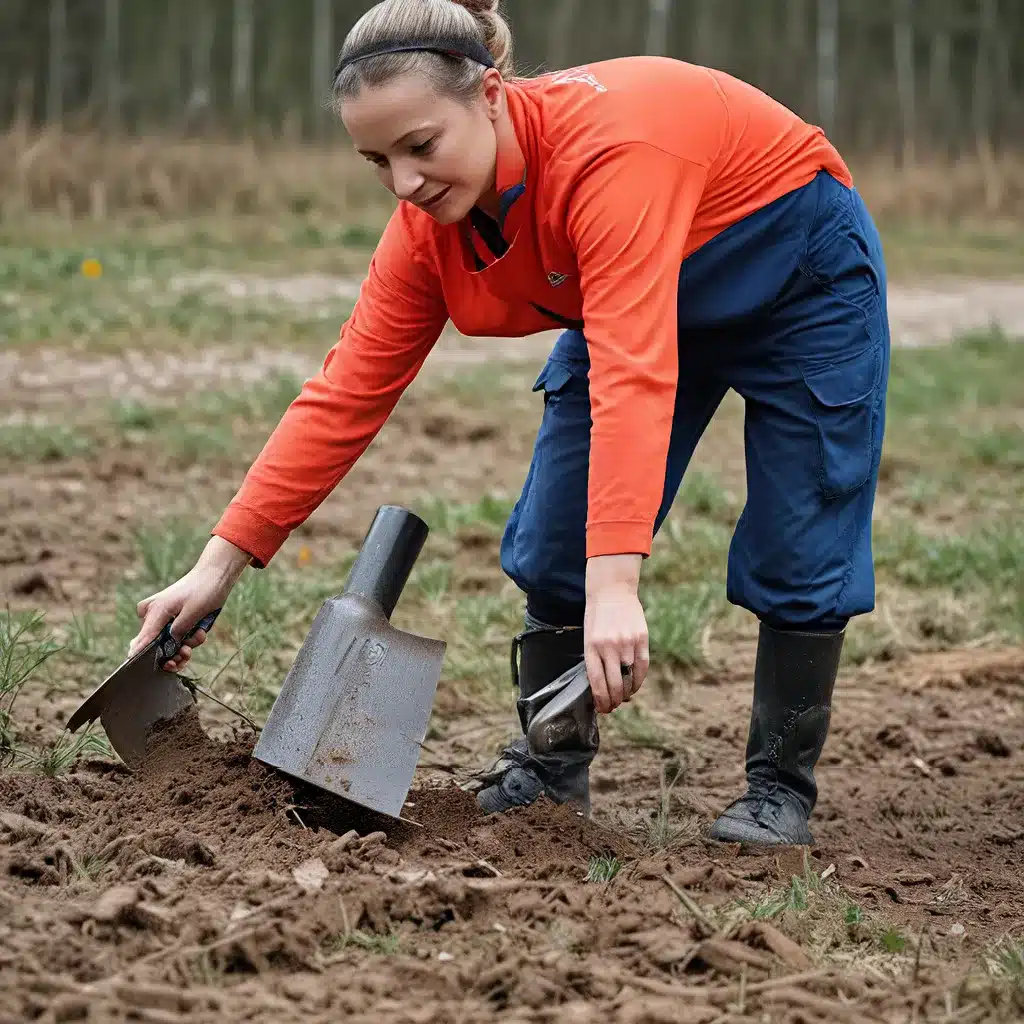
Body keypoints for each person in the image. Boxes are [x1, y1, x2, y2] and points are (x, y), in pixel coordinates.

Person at [128, 0, 890, 847]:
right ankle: (550, 771)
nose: (406, 183)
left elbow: (635, 376)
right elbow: (346, 390)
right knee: (557, 534)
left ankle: (776, 785)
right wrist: (219, 562)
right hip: (634, 288)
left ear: (490, 94)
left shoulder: (609, 156)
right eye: (378, 160)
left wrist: (619, 587)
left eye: (422, 146)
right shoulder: (424, 233)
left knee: (801, 532)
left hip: (795, 278)